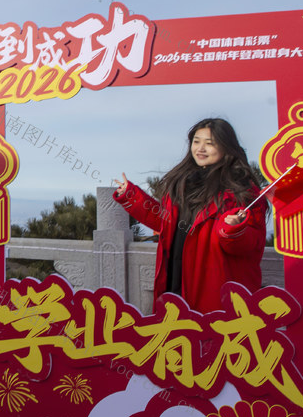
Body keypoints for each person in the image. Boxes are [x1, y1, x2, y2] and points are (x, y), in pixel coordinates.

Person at [112, 117, 266, 313]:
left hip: (215, 288)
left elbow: (253, 244)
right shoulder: (182, 183)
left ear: (227, 147)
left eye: (209, 143)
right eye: (196, 141)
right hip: (175, 280)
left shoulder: (242, 191)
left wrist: (234, 230)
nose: (200, 148)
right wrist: (132, 196)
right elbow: (165, 223)